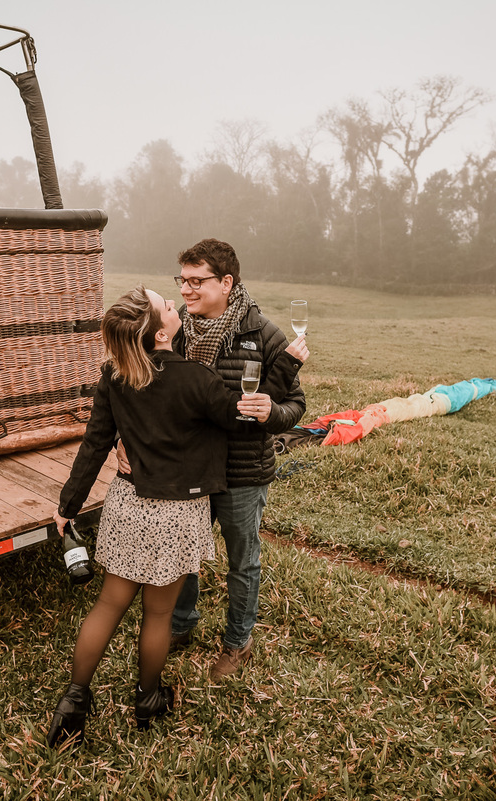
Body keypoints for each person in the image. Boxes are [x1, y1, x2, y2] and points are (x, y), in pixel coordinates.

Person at [47, 285, 272, 745]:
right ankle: (148, 700)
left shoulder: (115, 375)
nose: (175, 303)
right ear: (160, 334)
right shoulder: (196, 379)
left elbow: (94, 444)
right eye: (167, 306)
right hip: (177, 514)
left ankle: (73, 700)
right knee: (157, 615)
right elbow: (238, 418)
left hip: (128, 505)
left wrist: (66, 507)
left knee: (108, 606)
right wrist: (286, 365)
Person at [119, 238, 307, 682]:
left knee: (244, 561)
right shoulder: (170, 329)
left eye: (195, 281)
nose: (185, 290)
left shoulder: (265, 334)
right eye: (180, 281)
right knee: (184, 556)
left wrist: (272, 413)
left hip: (243, 472)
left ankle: (237, 641)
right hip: (189, 470)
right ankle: (181, 625)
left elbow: (294, 405)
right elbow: (143, 391)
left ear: (226, 282)